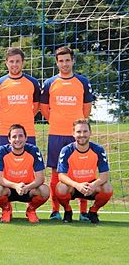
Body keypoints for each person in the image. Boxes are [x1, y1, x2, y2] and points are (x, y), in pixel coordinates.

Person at [40, 46, 94, 221]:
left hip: (77, 135)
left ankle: (83, 212)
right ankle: (56, 210)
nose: (64, 64)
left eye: (67, 60)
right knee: (56, 172)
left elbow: (86, 110)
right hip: (56, 134)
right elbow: (44, 109)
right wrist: (57, 121)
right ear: (57, 63)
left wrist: (77, 127)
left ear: (73, 61)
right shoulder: (49, 83)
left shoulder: (83, 82)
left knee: (81, 172)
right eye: (61, 61)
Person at [55, 119, 112, 224]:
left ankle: (93, 211)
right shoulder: (66, 150)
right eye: (78, 132)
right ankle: (68, 210)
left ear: (90, 132)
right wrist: (77, 185)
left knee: (107, 187)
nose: (82, 134)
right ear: (73, 134)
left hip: (91, 187)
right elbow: (61, 176)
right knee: (60, 187)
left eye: (85, 131)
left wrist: (94, 185)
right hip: (73, 186)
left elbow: (104, 175)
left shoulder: (98, 149)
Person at [0, 124, 49, 223]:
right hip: (9, 188)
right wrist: (15, 186)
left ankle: (31, 210)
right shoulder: (2, 151)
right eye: (14, 136)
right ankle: (6, 209)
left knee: (45, 190)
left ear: (26, 138)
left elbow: (40, 178)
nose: (17, 139)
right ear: (9, 139)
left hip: (28, 188)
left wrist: (27, 187)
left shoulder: (33, 150)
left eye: (21, 136)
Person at [0, 47, 40, 146]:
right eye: (11, 61)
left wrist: (26, 117)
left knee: (29, 160)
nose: (14, 64)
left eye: (17, 61)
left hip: (28, 132)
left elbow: (37, 105)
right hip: (5, 132)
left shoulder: (33, 83)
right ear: (6, 63)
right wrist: (5, 119)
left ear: (23, 62)